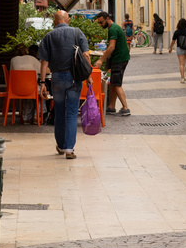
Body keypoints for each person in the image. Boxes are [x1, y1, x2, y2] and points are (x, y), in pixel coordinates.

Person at [38, 10, 90, 158]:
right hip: (74, 78)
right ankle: (69, 149)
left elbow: (44, 62)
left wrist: (42, 83)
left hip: (57, 78)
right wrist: (88, 76)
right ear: (68, 20)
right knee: (72, 113)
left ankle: (60, 146)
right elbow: (86, 55)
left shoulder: (48, 36)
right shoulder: (77, 32)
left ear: (55, 22)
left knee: (59, 112)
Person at [99, 10, 131, 116]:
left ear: (107, 19)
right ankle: (111, 107)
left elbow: (112, 47)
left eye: (101, 22)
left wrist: (101, 60)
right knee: (113, 82)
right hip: (119, 58)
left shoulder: (112, 29)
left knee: (116, 84)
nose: (100, 24)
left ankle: (125, 108)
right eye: (99, 23)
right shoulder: (114, 27)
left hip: (119, 59)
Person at [9, 42, 41, 124]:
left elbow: (11, 73)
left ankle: (26, 117)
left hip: (16, 89)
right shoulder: (31, 59)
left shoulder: (13, 60)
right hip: (31, 88)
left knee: (28, 91)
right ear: (26, 50)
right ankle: (37, 116)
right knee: (42, 91)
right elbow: (45, 70)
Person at [169, 17, 186, 83]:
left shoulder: (177, 32)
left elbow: (173, 41)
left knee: (181, 64)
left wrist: (170, 48)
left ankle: (182, 78)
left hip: (180, 49)